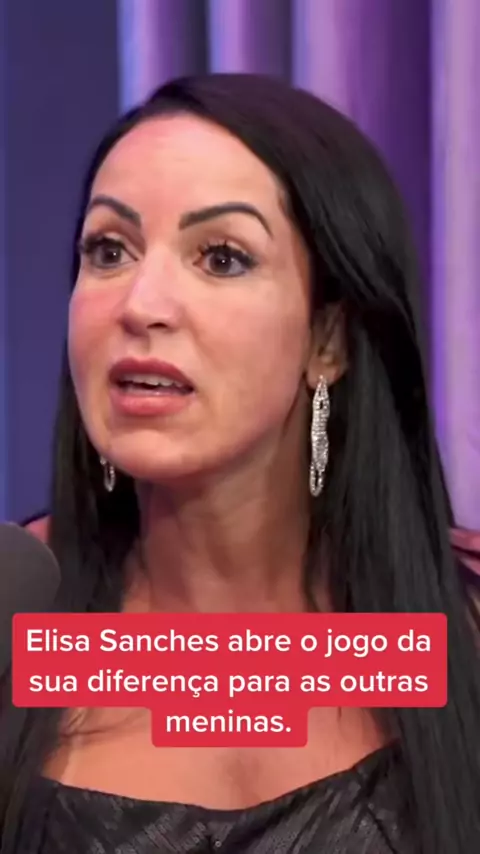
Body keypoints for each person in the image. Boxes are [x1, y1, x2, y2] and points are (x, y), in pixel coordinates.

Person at [1, 73, 479, 853]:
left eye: (221, 258)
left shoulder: (461, 624)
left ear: (327, 339)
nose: (141, 304)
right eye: (109, 250)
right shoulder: (14, 617)